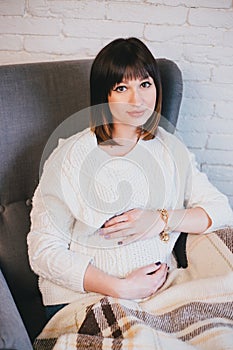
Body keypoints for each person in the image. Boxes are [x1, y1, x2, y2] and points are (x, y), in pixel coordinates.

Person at [27, 37, 233, 321]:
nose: (137, 100)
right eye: (122, 88)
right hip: (87, 299)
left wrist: (160, 218)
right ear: (104, 95)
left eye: (145, 84)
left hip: (162, 293)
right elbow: (43, 250)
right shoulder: (70, 158)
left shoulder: (170, 149)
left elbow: (220, 210)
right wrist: (121, 287)